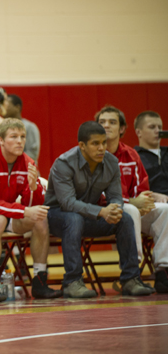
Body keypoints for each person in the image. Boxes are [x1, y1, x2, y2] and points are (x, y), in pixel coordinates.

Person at [45, 121, 152, 298]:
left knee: (125, 218)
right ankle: (72, 282)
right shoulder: (64, 163)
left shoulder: (111, 162)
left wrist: (115, 209)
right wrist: (102, 212)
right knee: (73, 218)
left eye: (103, 142)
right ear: (82, 146)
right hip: (58, 217)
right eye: (95, 143)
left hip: (88, 217)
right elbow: (68, 203)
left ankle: (130, 279)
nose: (102, 148)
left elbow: (116, 197)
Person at [0, 118, 62, 300]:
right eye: (14, 136)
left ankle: (40, 280)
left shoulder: (28, 163)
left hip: (9, 213)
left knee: (40, 218)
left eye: (22, 136)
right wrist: (23, 211)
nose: (20, 141)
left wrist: (33, 189)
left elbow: (33, 205)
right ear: (1, 140)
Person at [96, 106, 168, 293]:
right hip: (101, 214)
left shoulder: (131, 155)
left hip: (129, 211)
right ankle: (131, 273)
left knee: (165, 211)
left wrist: (142, 201)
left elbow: (142, 191)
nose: (106, 126)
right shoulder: (93, 154)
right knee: (131, 210)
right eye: (102, 122)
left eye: (112, 122)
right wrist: (132, 202)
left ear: (121, 129)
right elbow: (96, 196)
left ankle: (163, 271)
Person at [134, 111, 168, 202]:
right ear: (138, 132)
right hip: (153, 203)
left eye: (160, 127)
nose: (158, 131)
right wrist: (151, 195)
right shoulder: (133, 156)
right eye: (152, 127)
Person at [4, 94, 41, 164]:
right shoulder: (2, 127)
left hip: (27, 172)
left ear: (17, 107)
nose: (4, 108)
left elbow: (33, 154)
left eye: (7, 105)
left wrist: (10, 156)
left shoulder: (30, 127)